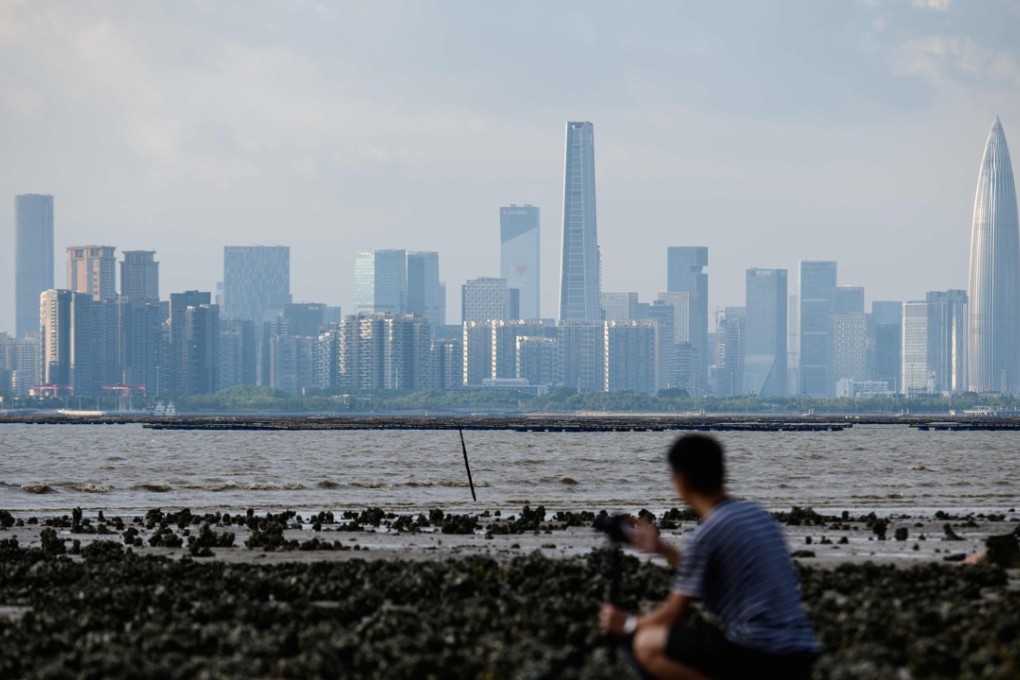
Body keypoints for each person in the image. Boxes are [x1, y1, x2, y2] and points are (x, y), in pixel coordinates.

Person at [598, 434, 820, 680]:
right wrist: (661, 549)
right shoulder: (757, 516)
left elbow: (674, 613)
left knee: (646, 643)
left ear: (680, 482)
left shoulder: (708, 532)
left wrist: (627, 625)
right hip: (801, 653)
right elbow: (715, 574)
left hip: (761, 655)